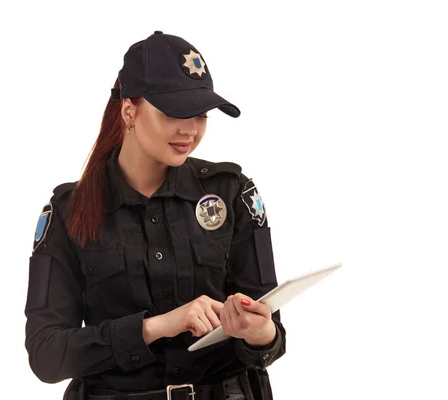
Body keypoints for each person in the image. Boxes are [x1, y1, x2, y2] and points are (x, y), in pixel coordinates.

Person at [24, 31, 286, 400]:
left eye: (200, 114)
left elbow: (271, 334)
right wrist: (157, 326)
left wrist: (261, 333)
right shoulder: (70, 212)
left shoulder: (231, 193)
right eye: (174, 113)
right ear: (129, 111)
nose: (190, 130)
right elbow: (46, 355)